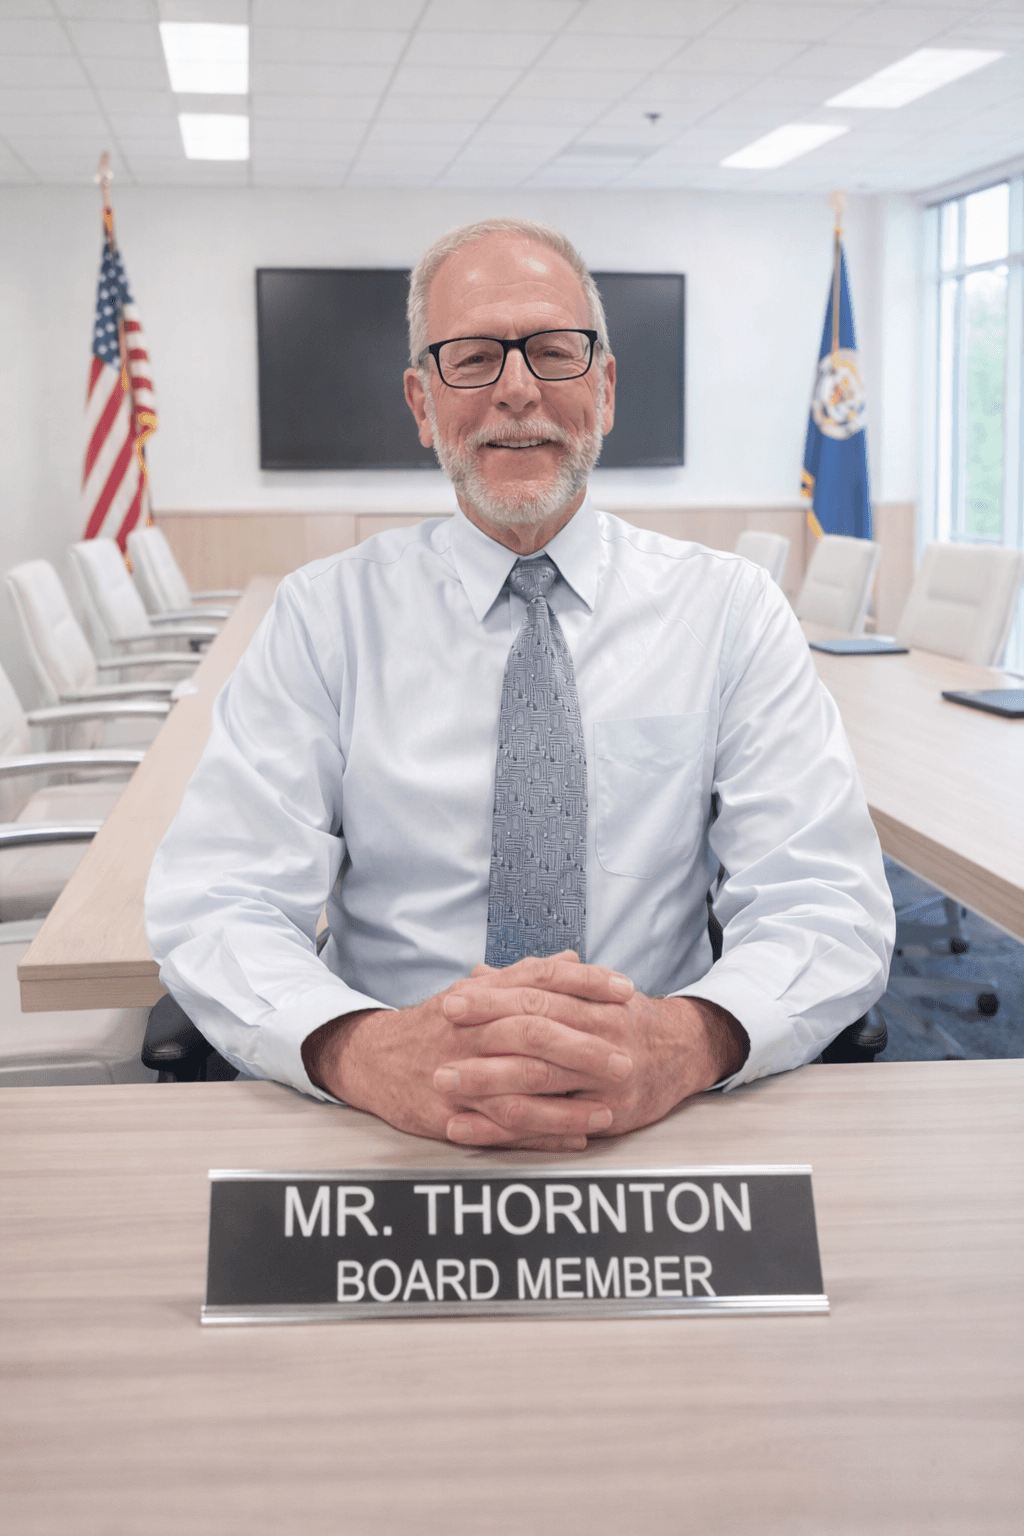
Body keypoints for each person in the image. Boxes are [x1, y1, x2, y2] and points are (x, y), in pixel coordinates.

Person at [146, 216, 894, 1154]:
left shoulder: (731, 610)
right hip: (389, 1124)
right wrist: (359, 1049)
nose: (516, 389)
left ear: (606, 388)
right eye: (471, 359)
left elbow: (825, 898)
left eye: (553, 350)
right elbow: (220, 897)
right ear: (422, 403)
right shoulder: (322, 619)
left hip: (665, 1122)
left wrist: (687, 1040)